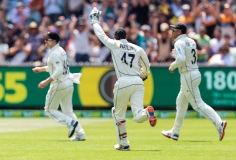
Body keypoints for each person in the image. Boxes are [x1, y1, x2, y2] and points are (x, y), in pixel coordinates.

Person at [89, 7, 157, 151]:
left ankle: (124, 144)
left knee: (117, 113)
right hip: (138, 82)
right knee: (138, 114)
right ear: (126, 36)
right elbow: (147, 66)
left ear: (115, 37)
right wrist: (143, 75)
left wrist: (94, 20)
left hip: (124, 81)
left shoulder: (114, 45)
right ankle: (147, 112)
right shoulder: (138, 48)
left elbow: (100, 34)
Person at [161, 22, 227, 141]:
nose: (172, 32)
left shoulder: (179, 42)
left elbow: (181, 59)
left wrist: (172, 66)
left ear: (179, 31)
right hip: (194, 72)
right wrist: (177, 55)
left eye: (174, 30)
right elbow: (187, 56)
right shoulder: (191, 41)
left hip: (188, 75)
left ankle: (219, 123)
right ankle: (175, 132)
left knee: (197, 104)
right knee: (181, 101)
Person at [32, 32, 85, 141]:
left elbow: (59, 70)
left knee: (49, 110)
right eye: (45, 39)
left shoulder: (54, 53)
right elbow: (56, 67)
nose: (45, 41)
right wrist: (42, 69)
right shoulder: (61, 50)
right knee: (68, 111)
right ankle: (80, 134)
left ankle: (71, 122)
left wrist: (46, 81)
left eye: (48, 39)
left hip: (60, 84)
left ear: (54, 41)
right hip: (68, 83)